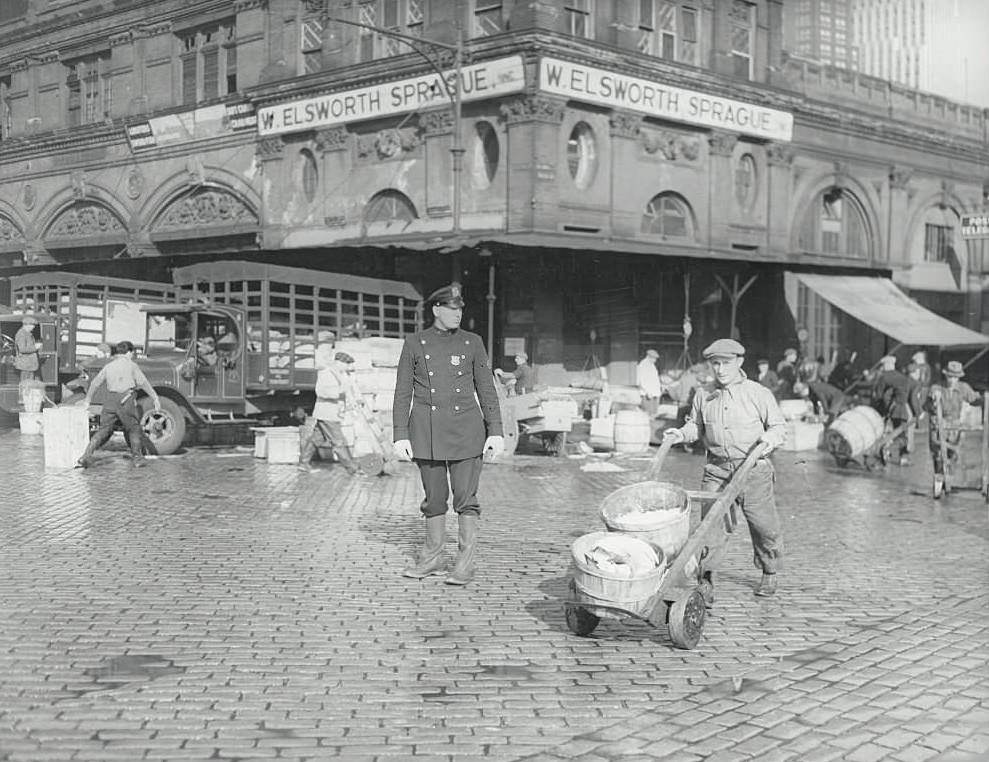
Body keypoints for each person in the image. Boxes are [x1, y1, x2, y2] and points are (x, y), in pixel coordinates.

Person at [393, 282, 504, 586]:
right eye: (452, 309)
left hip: (467, 432)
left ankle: (464, 565)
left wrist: (495, 431)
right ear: (436, 310)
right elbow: (403, 392)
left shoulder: (472, 342)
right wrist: (400, 434)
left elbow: (486, 389)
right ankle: (431, 559)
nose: (458, 314)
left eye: (460, 309)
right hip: (427, 432)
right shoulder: (415, 343)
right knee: (434, 499)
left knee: (466, 499)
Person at [663, 338, 787, 600]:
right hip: (717, 470)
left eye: (725, 363)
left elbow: (778, 427)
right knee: (710, 526)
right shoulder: (703, 395)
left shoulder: (758, 393)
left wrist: (767, 441)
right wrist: (680, 434)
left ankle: (769, 571)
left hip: (754, 470)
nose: (719, 369)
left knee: (764, 525)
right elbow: (695, 427)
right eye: (715, 363)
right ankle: (706, 579)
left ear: (740, 362)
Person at [76, 340, 161, 469]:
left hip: (110, 400)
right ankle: (138, 458)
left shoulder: (109, 366)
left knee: (104, 430)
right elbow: (143, 383)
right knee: (133, 429)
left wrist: (87, 400)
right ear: (129, 353)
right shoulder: (132, 366)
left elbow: (94, 383)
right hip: (125, 400)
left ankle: (85, 456)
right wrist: (155, 398)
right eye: (132, 353)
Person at [298, 344, 362, 475]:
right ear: (339, 362)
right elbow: (321, 391)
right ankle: (352, 468)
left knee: (317, 439)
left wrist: (356, 400)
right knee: (338, 441)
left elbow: (347, 390)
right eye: (346, 364)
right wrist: (340, 391)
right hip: (327, 413)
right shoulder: (326, 373)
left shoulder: (339, 374)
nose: (348, 367)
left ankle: (303, 464)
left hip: (330, 413)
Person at [927, 360, 982, 498]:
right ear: (945, 376)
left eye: (955, 377)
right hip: (939, 424)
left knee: (953, 454)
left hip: (955, 426)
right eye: (950, 377)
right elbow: (927, 404)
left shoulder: (963, 388)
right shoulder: (937, 387)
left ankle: (948, 479)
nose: (952, 380)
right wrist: (933, 400)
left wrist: (984, 398)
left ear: (959, 378)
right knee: (939, 454)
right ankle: (939, 478)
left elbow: (974, 399)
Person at [872, 355, 920, 466]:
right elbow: (911, 395)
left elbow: (879, 396)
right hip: (904, 410)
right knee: (903, 436)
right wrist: (918, 413)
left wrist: (884, 409)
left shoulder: (884, 377)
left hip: (892, 409)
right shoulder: (902, 377)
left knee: (895, 434)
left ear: (886, 365)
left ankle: (888, 452)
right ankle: (894, 453)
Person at [14, 315, 42, 383]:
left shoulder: (27, 333)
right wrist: (35, 347)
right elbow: (22, 349)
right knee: (26, 384)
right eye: (32, 325)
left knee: (29, 384)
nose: (34, 327)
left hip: (29, 365)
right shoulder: (22, 334)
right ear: (26, 325)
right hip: (26, 365)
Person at [636, 349, 663, 417]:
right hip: (648, 394)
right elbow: (641, 381)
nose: (655, 360)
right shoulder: (643, 365)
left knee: (653, 414)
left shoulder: (652, 365)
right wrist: (647, 392)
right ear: (648, 357)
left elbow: (654, 379)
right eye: (654, 358)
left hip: (654, 394)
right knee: (647, 415)